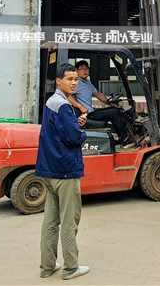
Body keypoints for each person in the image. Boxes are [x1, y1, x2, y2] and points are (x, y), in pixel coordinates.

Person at [35, 63, 90, 280]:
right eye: (70, 79)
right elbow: (74, 138)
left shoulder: (52, 102)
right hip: (65, 170)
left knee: (50, 221)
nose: (74, 83)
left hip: (49, 170)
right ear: (59, 81)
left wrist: (75, 124)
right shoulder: (65, 106)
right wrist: (82, 132)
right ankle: (70, 268)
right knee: (69, 220)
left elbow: (60, 132)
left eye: (76, 79)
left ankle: (47, 266)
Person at [69, 60, 134, 147]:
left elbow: (98, 95)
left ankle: (122, 136)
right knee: (115, 113)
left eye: (86, 68)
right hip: (87, 115)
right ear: (77, 71)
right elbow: (68, 96)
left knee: (116, 110)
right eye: (82, 69)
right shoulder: (77, 83)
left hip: (91, 111)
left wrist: (111, 104)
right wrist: (80, 107)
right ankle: (124, 139)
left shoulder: (87, 82)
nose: (85, 71)